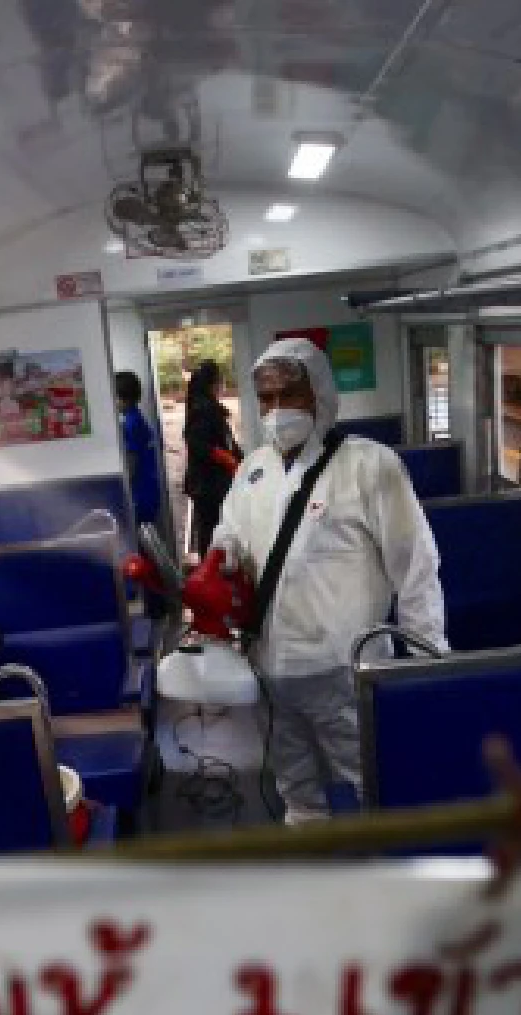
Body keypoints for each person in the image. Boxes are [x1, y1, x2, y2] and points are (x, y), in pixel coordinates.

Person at [212, 337, 446, 825]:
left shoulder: (369, 465)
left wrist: (427, 661)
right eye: (267, 400)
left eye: (290, 396)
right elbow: (228, 529)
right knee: (294, 783)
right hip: (271, 667)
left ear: (319, 394)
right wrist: (224, 551)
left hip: (345, 668)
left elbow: (416, 564)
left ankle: (383, 873)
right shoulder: (254, 469)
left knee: (370, 780)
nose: (277, 411)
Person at [181, 361, 241, 558]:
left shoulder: (211, 407)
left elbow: (226, 441)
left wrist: (242, 457)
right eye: (220, 381)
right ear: (213, 384)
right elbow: (198, 445)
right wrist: (227, 459)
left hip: (215, 484)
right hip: (208, 487)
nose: (222, 385)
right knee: (210, 532)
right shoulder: (202, 409)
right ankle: (208, 575)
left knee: (217, 529)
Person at [113, 370, 166, 534]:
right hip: (150, 493)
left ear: (122, 397)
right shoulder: (138, 420)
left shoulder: (130, 425)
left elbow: (131, 466)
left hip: (139, 497)